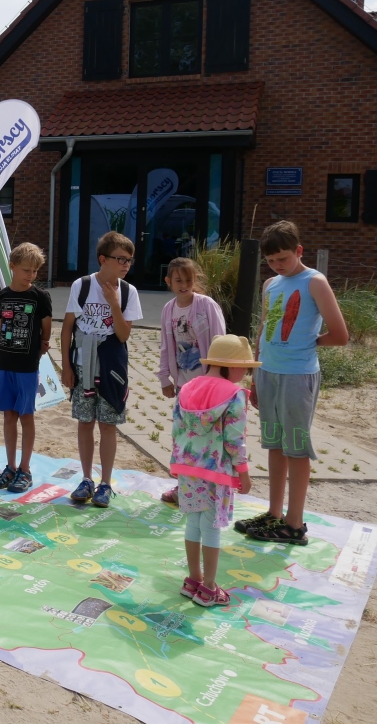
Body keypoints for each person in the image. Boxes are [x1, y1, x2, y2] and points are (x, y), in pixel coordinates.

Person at [238, 221, 348, 546]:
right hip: (269, 374)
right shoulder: (271, 284)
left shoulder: (315, 281)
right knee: (274, 444)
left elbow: (340, 335)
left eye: (283, 259)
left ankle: (294, 523)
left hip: (298, 377)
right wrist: (256, 375)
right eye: (271, 261)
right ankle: (274, 514)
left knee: (296, 448)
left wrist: (308, 343)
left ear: (299, 251)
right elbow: (264, 331)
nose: (277, 266)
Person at [171, 335, 257, 606]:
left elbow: (176, 429)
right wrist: (243, 472)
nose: (246, 373)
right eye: (245, 367)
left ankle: (193, 579)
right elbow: (234, 440)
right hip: (216, 472)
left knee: (193, 523)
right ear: (230, 366)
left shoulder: (187, 388)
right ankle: (209, 588)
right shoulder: (234, 395)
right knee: (211, 527)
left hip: (187, 467)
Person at [60, 232, 144, 508]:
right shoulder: (82, 286)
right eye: (120, 259)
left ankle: (105, 482)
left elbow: (123, 335)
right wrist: (66, 365)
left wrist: (114, 305)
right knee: (86, 422)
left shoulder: (129, 292)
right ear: (103, 259)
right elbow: (68, 327)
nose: (125, 265)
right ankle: (86, 478)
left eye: (129, 261)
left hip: (111, 367)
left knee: (108, 424)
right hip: (83, 365)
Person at [157, 256, 226, 505]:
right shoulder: (168, 310)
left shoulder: (206, 305)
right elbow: (167, 346)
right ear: (169, 281)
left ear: (194, 281)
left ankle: (210, 487)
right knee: (183, 435)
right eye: (178, 280)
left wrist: (219, 377)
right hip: (184, 387)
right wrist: (164, 376)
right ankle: (184, 485)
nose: (183, 284)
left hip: (208, 385)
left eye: (188, 280)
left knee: (208, 436)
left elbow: (220, 339)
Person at [0, 243, 52, 494]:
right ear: (12, 267)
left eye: (35, 271)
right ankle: (11, 467)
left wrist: (44, 343)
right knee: (8, 415)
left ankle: (25, 469)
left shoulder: (40, 297)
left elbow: (47, 326)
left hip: (27, 365)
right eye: (26, 270)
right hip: (4, 363)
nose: (31, 275)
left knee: (26, 415)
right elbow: (0, 323)